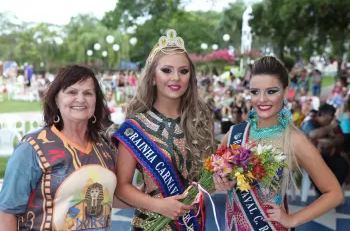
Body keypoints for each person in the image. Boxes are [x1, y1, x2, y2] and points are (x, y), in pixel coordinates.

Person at [213, 56, 343, 230]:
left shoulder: (294, 139)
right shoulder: (234, 134)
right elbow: (213, 175)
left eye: (271, 91)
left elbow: (334, 193)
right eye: (255, 92)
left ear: (285, 91)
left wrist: (293, 219)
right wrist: (218, 179)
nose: (262, 99)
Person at [0, 64, 127, 231]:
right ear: (56, 100)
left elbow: (112, 197)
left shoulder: (104, 148)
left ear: (96, 102)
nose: (80, 99)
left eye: (88, 93)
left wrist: (155, 194)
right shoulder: (31, 148)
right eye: (72, 92)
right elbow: (7, 212)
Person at [113, 29, 216, 230]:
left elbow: (205, 182)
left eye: (183, 71)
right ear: (152, 76)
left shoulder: (201, 122)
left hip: (193, 222)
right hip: (150, 224)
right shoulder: (135, 127)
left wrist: (220, 182)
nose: (176, 77)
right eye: (167, 70)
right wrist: (159, 205)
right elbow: (122, 186)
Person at [301, 103, 349, 197]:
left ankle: (331, 191)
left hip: (330, 155)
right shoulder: (310, 123)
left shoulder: (333, 124)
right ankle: (323, 194)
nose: (333, 117)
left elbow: (341, 139)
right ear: (321, 114)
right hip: (311, 157)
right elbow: (313, 134)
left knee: (342, 165)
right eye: (331, 115)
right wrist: (330, 128)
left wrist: (329, 142)